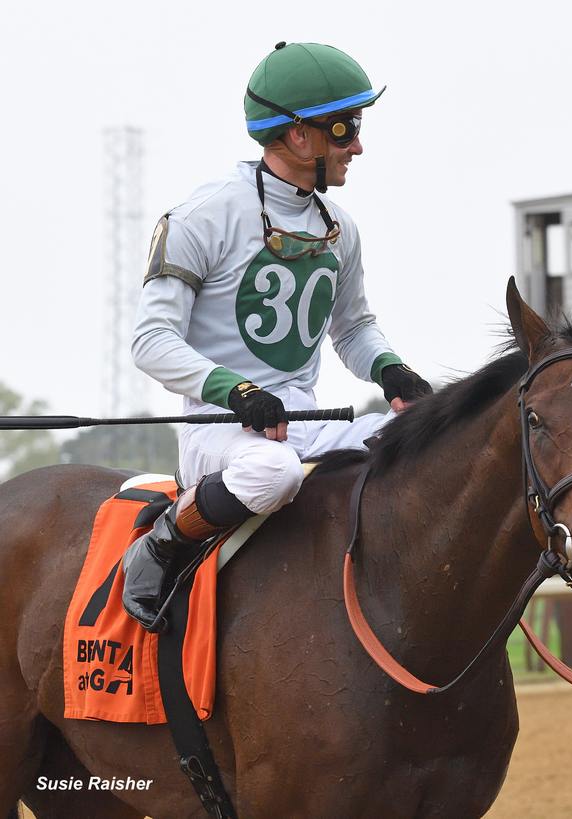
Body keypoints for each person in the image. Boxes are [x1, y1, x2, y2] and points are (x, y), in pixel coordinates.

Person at [122, 42, 432, 631]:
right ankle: (161, 546)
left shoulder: (340, 229)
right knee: (274, 472)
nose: (358, 146)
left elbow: (354, 327)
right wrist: (235, 393)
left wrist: (391, 370)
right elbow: (151, 341)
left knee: (426, 436)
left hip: (305, 424)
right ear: (298, 136)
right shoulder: (204, 215)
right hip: (221, 438)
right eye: (346, 129)